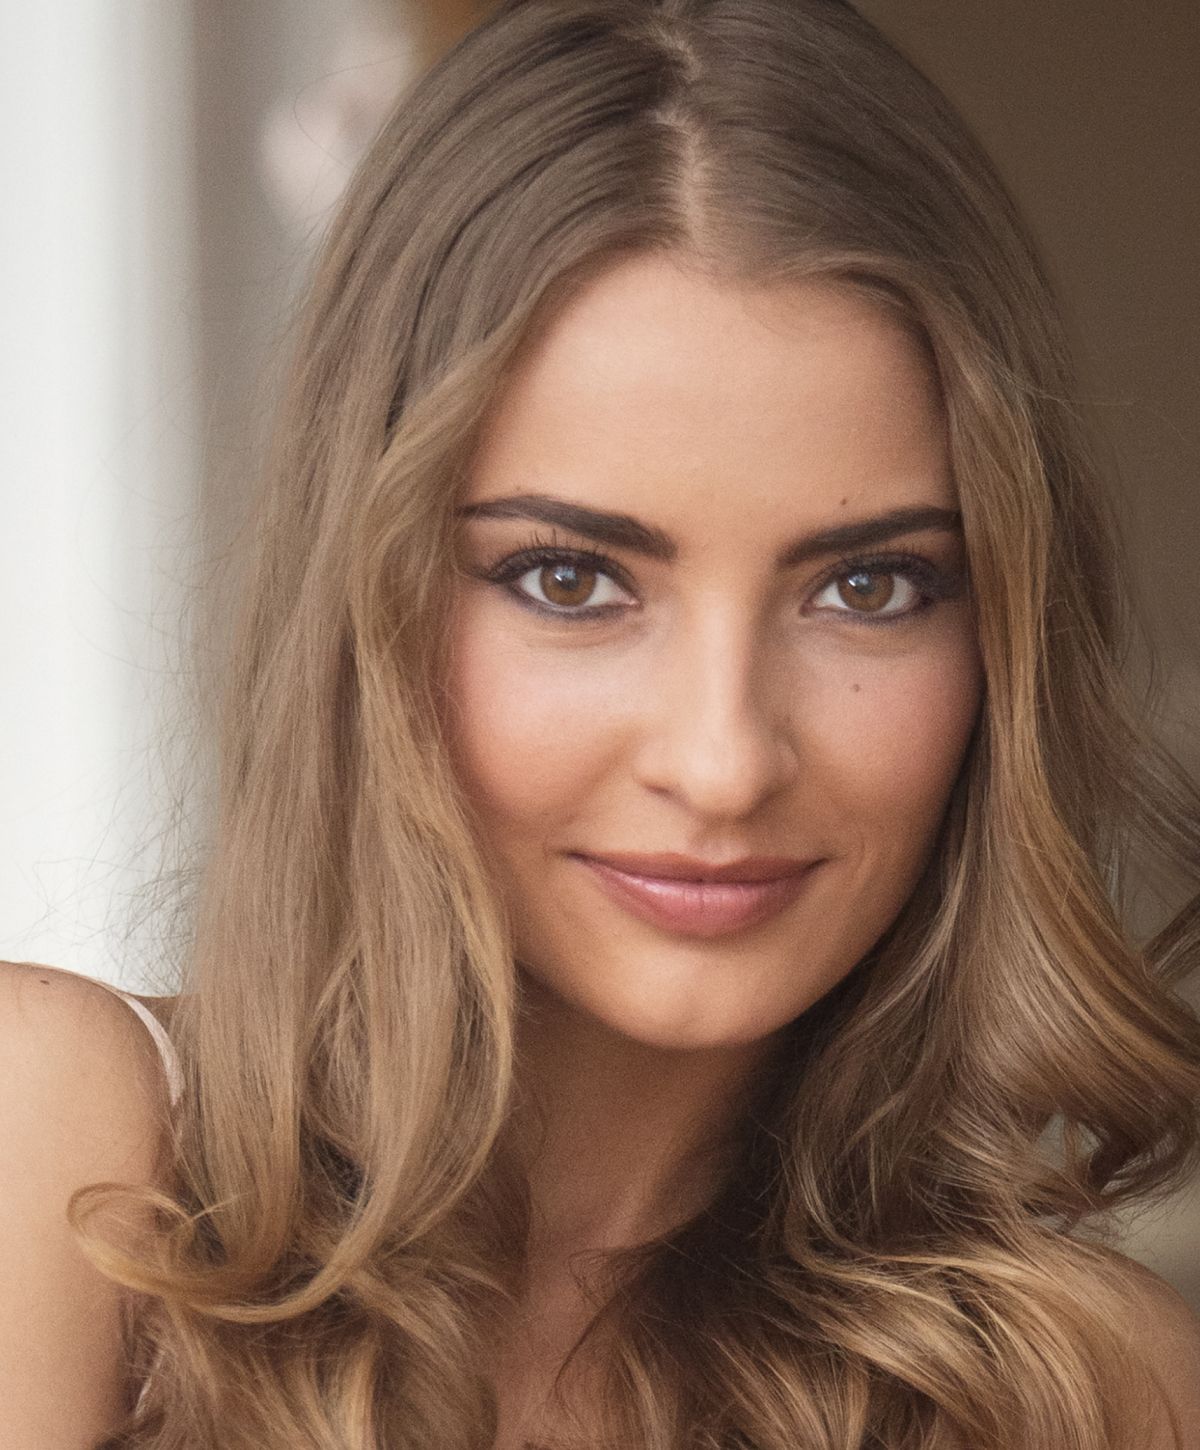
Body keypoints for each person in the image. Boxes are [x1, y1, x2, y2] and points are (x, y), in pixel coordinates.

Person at [3, 1, 1200, 1446]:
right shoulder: (57, 1143)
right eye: (569, 579)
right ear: (373, 608)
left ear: (1000, 629)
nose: (723, 757)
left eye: (869, 585)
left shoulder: (1083, 1386)